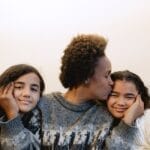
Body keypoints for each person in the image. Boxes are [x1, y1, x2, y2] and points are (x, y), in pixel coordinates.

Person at [0, 34, 144, 150]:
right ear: (87, 76)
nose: (111, 82)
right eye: (106, 75)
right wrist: (12, 117)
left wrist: (127, 123)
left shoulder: (107, 114)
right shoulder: (42, 106)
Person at [0, 64, 45, 149]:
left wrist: (12, 113)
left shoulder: (43, 124)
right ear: (3, 89)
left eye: (34, 89)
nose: (27, 94)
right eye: (19, 87)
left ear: (40, 95)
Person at [107, 70, 150, 149]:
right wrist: (127, 121)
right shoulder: (99, 121)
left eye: (129, 97)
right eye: (114, 95)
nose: (121, 103)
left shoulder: (147, 118)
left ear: (140, 99)